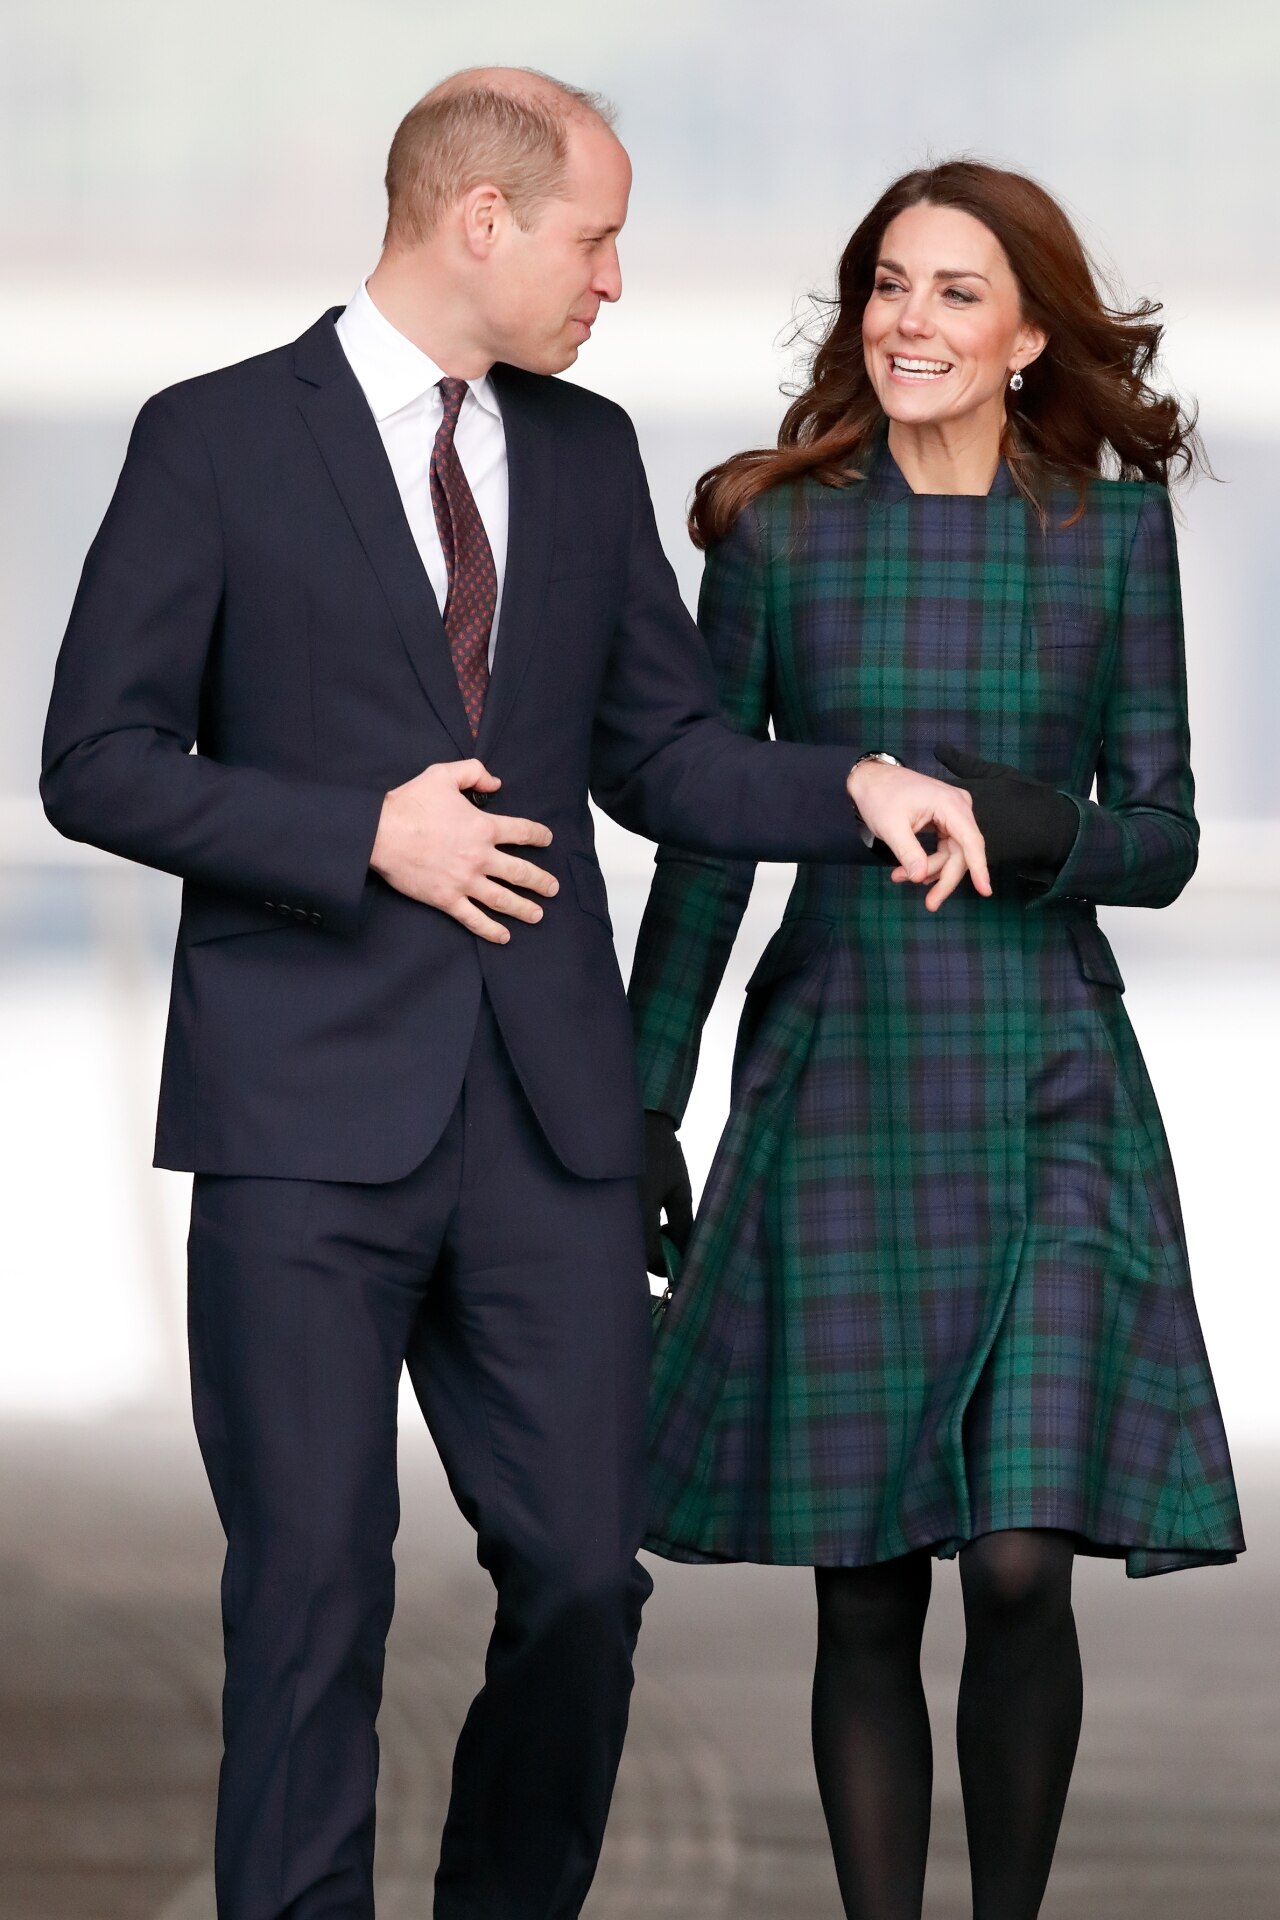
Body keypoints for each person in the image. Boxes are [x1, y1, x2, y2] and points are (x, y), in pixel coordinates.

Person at [39, 71, 989, 1920]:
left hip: (545, 1131)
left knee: (581, 1581)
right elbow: (98, 759)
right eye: (594, 235)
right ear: (482, 220)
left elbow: (670, 757)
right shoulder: (214, 440)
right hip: (303, 1130)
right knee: (311, 1592)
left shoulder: (580, 450)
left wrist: (855, 784)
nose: (613, 278)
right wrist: (354, 834)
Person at [633, 160, 1244, 1920]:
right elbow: (702, 835)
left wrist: (1021, 823)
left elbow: (1171, 836)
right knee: (870, 1581)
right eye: (888, 285)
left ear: (1028, 332)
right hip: (841, 1078)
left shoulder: (1112, 533)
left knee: (1026, 1561)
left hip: (1052, 1076)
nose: (910, 319)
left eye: (955, 291)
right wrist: (640, 1098)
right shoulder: (775, 530)